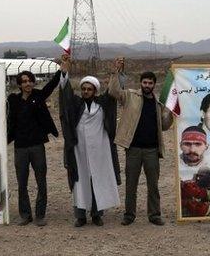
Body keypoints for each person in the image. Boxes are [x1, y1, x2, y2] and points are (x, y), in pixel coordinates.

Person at [108, 57, 174, 226]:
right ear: (141, 83)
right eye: (144, 82)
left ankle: (154, 215)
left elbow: (165, 126)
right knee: (131, 185)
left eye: (150, 83)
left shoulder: (158, 104)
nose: (147, 85)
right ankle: (129, 215)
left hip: (152, 150)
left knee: (153, 185)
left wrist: (172, 114)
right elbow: (113, 91)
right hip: (133, 149)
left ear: (154, 84)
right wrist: (116, 72)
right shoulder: (130, 96)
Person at [58, 55, 120, 227]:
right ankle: (80, 216)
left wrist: (115, 73)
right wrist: (64, 72)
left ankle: (97, 214)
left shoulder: (103, 104)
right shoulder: (76, 104)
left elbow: (113, 92)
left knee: (98, 180)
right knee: (80, 181)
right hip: (80, 150)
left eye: (89, 89)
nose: (85, 91)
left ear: (95, 91)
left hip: (100, 150)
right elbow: (66, 93)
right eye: (83, 88)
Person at [7, 68, 62, 226]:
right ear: (19, 84)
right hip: (20, 148)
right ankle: (25, 215)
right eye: (24, 81)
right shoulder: (13, 100)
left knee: (41, 181)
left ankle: (40, 215)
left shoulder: (38, 96)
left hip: (37, 146)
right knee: (22, 182)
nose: (28, 83)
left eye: (30, 80)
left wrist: (62, 71)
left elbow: (51, 86)